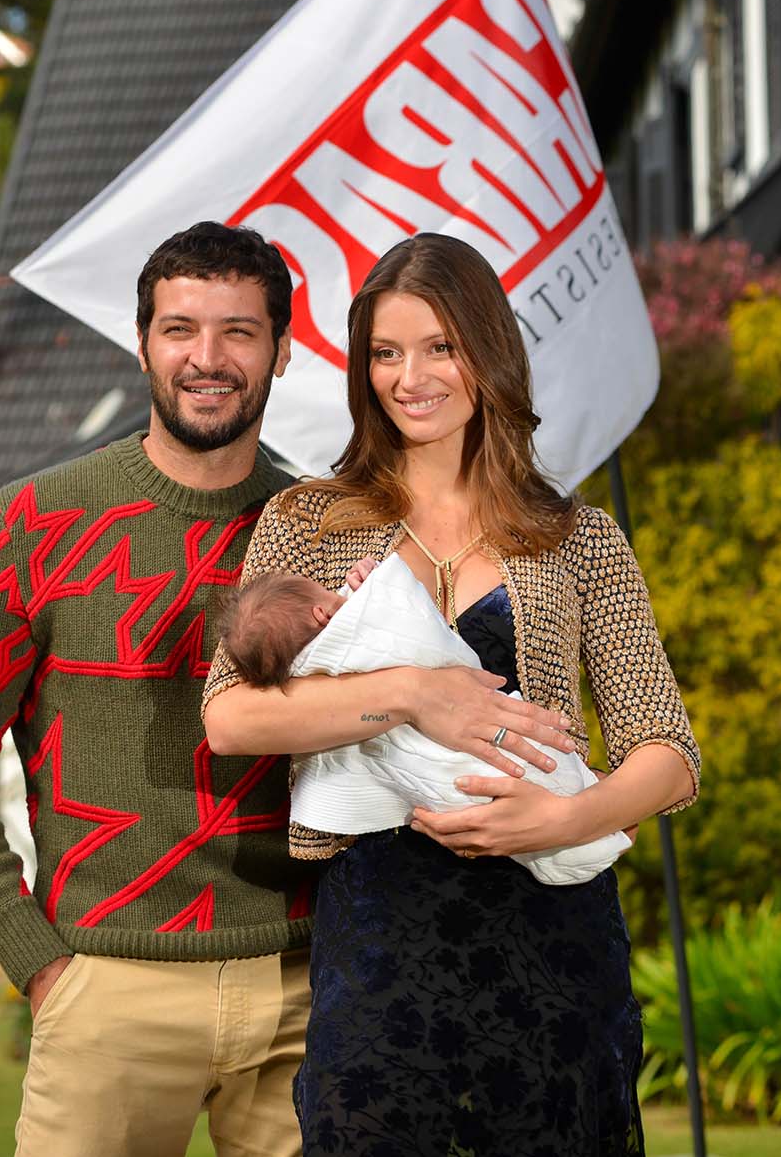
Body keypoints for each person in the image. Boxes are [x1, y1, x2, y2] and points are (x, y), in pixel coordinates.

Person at [204, 232, 701, 1156]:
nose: (410, 377)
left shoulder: (578, 539)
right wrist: (408, 693)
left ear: (489, 353)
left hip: (552, 941)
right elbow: (231, 717)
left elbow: (668, 753)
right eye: (385, 353)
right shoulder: (306, 522)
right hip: (382, 937)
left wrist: (561, 822)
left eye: (439, 347)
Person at [0, 221, 330, 1156]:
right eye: (179, 330)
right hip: (107, 984)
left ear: (284, 352)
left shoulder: (320, 528)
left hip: (308, 989)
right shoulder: (33, 521)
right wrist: (36, 959)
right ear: (141, 345)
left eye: (238, 332)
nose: (206, 358)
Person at [217, 560, 630, 886]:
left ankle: (588, 826)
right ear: (323, 613)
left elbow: (666, 743)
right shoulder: (302, 520)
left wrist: (575, 819)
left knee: (515, 796)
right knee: (527, 774)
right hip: (389, 888)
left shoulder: (307, 682)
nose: (343, 594)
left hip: (438, 835)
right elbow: (412, 626)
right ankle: (590, 824)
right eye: (332, 593)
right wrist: (378, 596)